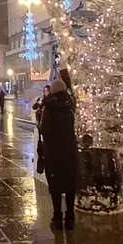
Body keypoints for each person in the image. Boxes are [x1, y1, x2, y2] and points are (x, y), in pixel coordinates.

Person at [39, 77, 79, 230]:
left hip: (53, 152)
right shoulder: (70, 105)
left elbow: (44, 130)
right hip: (69, 151)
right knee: (70, 185)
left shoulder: (49, 107)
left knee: (55, 186)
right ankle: (70, 217)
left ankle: (57, 217)